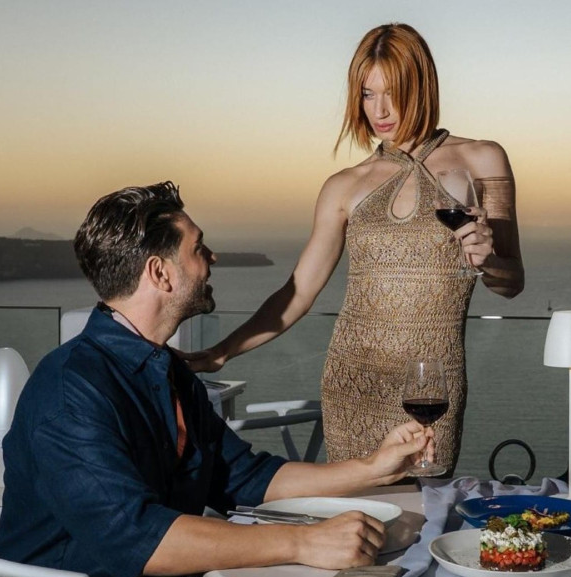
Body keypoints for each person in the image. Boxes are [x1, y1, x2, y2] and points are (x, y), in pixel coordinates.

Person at [0, 181, 433, 577]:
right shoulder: (72, 391)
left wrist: (374, 468)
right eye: (198, 248)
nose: (212, 257)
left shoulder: (167, 370)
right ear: (160, 273)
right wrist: (303, 541)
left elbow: (246, 478)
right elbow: (141, 537)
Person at [184, 23, 524, 475]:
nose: (379, 110)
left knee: (422, 502)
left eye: (393, 93)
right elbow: (299, 291)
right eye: (367, 94)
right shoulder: (344, 185)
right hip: (354, 382)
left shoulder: (482, 159)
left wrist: (488, 261)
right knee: (357, 511)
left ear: (422, 87)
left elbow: (511, 282)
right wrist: (221, 352)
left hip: (431, 386)